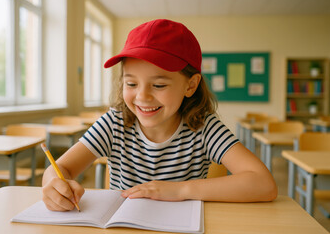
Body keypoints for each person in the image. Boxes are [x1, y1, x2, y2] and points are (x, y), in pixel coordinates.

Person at [42, 19, 277, 211]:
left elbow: (263, 184)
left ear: (190, 85)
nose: (142, 97)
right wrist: (53, 184)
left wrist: (179, 190)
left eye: (159, 85)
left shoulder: (204, 127)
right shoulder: (114, 123)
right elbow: (60, 169)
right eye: (131, 83)